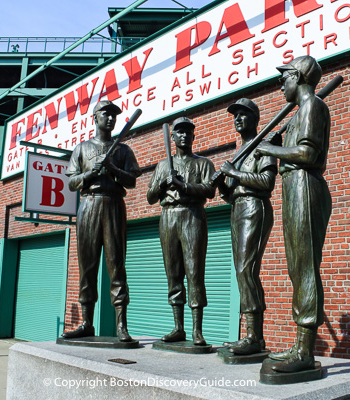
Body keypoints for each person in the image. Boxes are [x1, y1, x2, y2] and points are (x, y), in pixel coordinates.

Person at [256, 56, 332, 372]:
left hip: (305, 185)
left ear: (298, 76)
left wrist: (267, 149)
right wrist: (277, 141)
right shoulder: (300, 113)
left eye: (284, 77)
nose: (281, 83)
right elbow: (293, 150)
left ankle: (304, 352)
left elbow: (307, 154)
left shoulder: (314, 106)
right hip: (293, 186)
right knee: (296, 267)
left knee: (305, 268)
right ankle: (298, 345)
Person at [62, 100, 142, 342]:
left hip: (113, 203)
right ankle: (86, 322)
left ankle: (121, 325)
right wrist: (91, 173)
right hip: (88, 204)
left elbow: (131, 181)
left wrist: (113, 169)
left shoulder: (123, 150)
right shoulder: (82, 148)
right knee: (88, 267)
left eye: (114, 115)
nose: (110, 118)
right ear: (94, 118)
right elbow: (72, 183)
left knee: (116, 265)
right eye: (105, 114)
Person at [212, 98, 277, 355]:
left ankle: (254, 338)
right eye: (235, 115)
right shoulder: (238, 153)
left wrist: (234, 173)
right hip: (238, 208)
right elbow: (231, 194)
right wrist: (222, 184)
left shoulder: (264, 146)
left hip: (255, 207)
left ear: (255, 118)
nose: (237, 119)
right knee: (242, 271)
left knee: (246, 269)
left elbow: (267, 182)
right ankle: (251, 336)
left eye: (243, 114)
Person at [147, 117, 215, 345]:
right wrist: (164, 183)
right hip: (168, 217)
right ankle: (178, 327)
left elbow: (209, 190)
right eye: (179, 132)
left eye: (188, 132)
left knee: (195, 274)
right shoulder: (163, 165)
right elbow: (150, 197)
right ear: (173, 137)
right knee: (173, 274)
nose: (184, 135)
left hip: (192, 215)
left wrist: (184, 186)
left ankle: (197, 330)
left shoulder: (203, 163)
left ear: (193, 136)